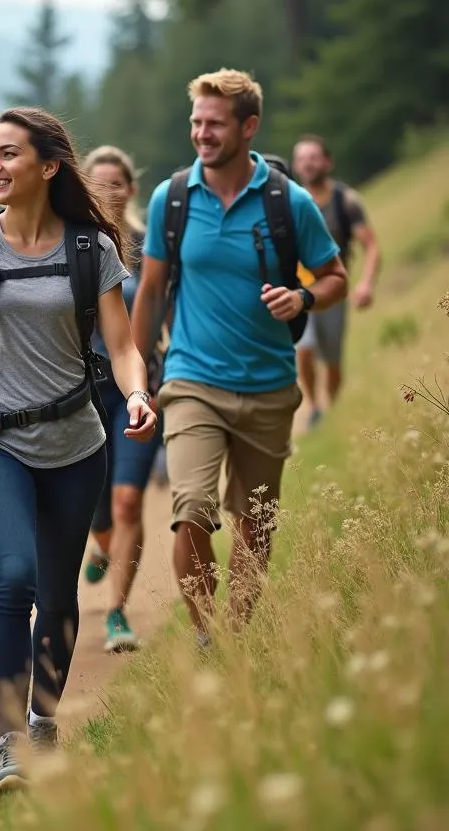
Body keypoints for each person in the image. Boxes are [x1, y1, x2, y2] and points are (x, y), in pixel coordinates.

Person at [0, 107, 157, 798]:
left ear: (48, 166)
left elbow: (120, 343)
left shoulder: (90, 249)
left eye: (9, 155)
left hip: (76, 442)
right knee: (13, 577)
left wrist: (136, 394)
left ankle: (44, 720)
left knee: (56, 594)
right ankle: (11, 743)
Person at [130, 70, 347, 647]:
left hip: (269, 386)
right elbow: (151, 291)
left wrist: (302, 296)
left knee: (255, 523)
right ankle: (207, 637)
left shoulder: (287, 201)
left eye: (215, 124)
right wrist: (135, 377)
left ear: (248, 127)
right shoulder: (171, 198)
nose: (202, 133)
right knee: (192, 509)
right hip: (192, 380)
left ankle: (238, 635)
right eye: (196, 122)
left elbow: (335, 278)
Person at [79, 146, 165, 654]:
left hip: (137, 388)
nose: (108, 191)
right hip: (83, 390)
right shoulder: (72, 242)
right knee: (97, 506)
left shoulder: (150, 246)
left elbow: (166, 313)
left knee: (128, 498)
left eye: (117, 183)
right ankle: (101, 541)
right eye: (99, 182)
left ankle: (116, 613)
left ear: (131, 189)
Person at [291, 133, 382, 427]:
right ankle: (315, 406)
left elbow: (371, 246)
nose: (308, 164)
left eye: (314, 157)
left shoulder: (346, 200)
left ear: (327, 162)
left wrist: (366, 283)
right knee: (304, 348)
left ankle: (332, 405)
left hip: (332, 290)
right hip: (299, 290)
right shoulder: (290, 202)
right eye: (302, 159)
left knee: (332, 361)